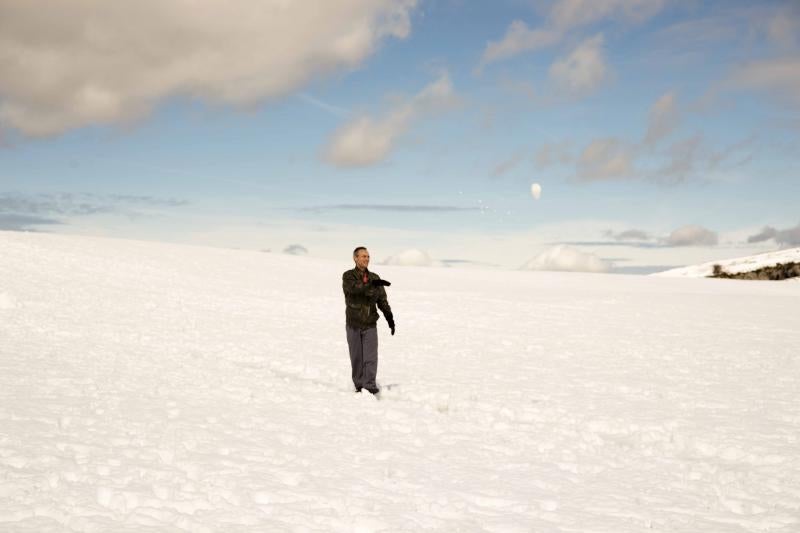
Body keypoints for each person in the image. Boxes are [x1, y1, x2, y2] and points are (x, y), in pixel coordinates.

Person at [342, 246, 394, 394]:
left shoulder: (375, 277)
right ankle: (359, 385)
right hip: (353, 324)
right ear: (355, 258)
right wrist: (370, 284)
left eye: (368, 256)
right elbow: (354, 289)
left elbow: (382, 301)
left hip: (370, 323)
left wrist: (390, 318)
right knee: (357, 357)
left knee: (371, 358)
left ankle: (370, 386)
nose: (366, 259)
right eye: (363, 256)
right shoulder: (348, 276)